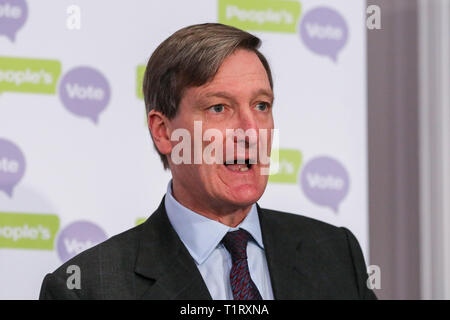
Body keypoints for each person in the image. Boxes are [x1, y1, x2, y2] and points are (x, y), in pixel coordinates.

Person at [39, 23, 377, 300]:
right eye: (219, 108)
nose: (250, 131)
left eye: (261, 106)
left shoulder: (336, 254)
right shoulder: (88, 289)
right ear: (163, 131)